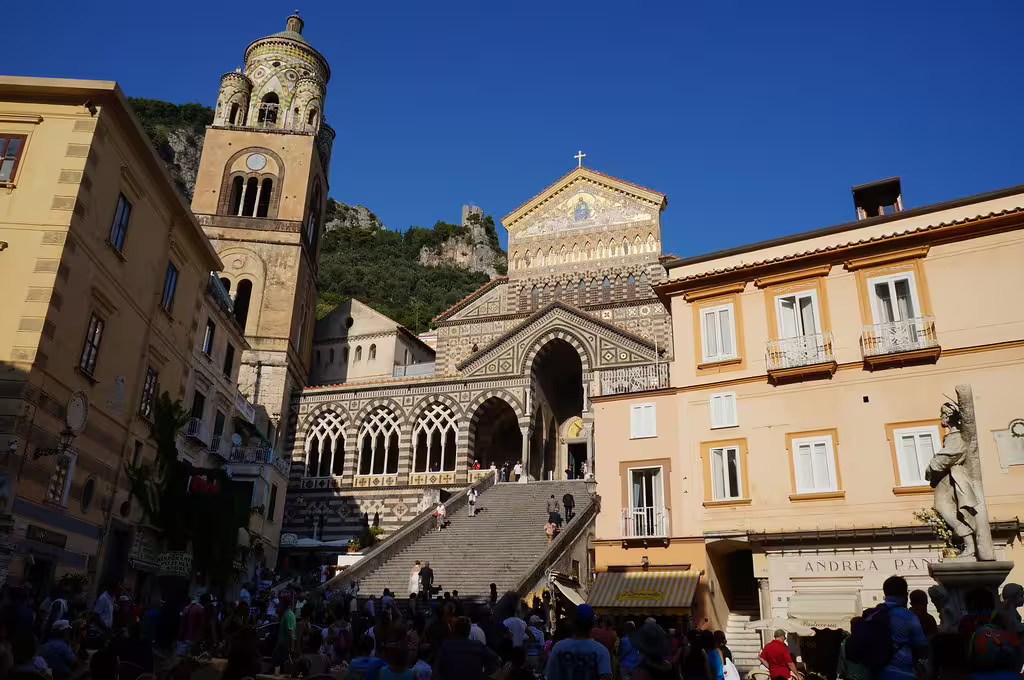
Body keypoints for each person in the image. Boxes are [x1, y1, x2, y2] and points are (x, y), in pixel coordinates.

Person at [545, 604, 612, 680]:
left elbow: (551, 676)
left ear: (573, 623)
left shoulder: (558, 648)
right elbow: (605, 678)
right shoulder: (601, 651)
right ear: (593, 624)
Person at [432, 616, 500, 680]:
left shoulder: (445, 646)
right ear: (469, 630)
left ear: (454, 630)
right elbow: (496, 661)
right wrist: (483, 676)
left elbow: (436, 671)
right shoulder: (478, 646)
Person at [273, 597, 296, 673]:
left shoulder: (288, 615)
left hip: (285, 647)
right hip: (282, 646)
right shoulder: (286, 614)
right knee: (278, 666)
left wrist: (291, 649)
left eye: (280, 604)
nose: (279, 606)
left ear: (283, 605)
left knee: (282, 668)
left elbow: (291, 633)